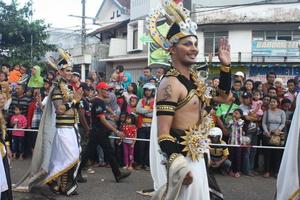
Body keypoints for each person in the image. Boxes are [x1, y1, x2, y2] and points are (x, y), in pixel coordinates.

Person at [149, 1, 231, 199]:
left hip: (199, 159)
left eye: (195, 44)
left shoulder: (194, 81)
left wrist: (225, 67)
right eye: (187, 43)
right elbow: (163, 134)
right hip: (184, 164)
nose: (194, 48)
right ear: (172, 49)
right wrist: (179, 167)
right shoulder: (170, 84)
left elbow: (224, 98)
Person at [14, 49, 82, 196]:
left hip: (70, 127)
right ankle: (53, 182)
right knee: (70, 157)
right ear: (61, 72)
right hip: (62, 128)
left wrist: (75, 100)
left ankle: (62, 186)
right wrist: (75, 100)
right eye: (68, 70)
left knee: (67, 158)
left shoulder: (68, 88)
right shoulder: (57, 88)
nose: (70, 73)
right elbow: (60, 110)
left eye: (71, 70)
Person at [78, 82, 131, 183]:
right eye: (106, 90)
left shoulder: (100, 101)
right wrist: (116, 131)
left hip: (99, 131)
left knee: (106, 152)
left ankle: (118, 174)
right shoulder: (98, 102)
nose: (108, 92)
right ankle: (76, 173)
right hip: (98, 132)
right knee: (88, 153)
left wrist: (110, 115)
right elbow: (102, 119)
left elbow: (102, 114)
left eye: (109, 90)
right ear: (100, 90)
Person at [262, 97, 286, 178]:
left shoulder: (282, 112)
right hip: (268, 135)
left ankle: (276, 171)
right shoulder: (266, 112)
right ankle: (267, 171)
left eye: (274, 102)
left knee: (277, 154)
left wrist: (278, 130)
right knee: (267, 154)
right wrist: (266, 132)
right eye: (271, 102)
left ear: (277, 103)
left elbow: (283, 123)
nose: (272, 103)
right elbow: (264, 123)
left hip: (277, 135)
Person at [135, 83, 155, 170]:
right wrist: (149, 110)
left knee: (148, 146)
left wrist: (144, 112)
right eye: (146, 90)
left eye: (149, 90)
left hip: (151, 127)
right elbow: (138, 109)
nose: (147, 92)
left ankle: (147, 164)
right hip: (141, 127)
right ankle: (140, 163)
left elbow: (154, 114)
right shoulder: (141, 100)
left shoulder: (155, 101)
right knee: (141, 145)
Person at [0, 93, 13, 200]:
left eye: (4, 98)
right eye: (0, 98)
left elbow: (6, 133)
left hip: (2, 147)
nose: (2, 100)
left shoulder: (5, 113)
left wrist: (7, 147)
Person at [226, 109, 245, 178]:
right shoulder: (231, 121)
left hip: (238, 142)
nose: (234, 114)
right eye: (234, 113)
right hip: (231, 141)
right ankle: (231, 170)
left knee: (238, 157)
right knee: (231, 156)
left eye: (236, 113)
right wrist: (230, 120)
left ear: (240, 115)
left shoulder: (241, 121)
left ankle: (237, 171)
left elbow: (238, 124)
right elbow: (227, 126)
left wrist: (233, 120)